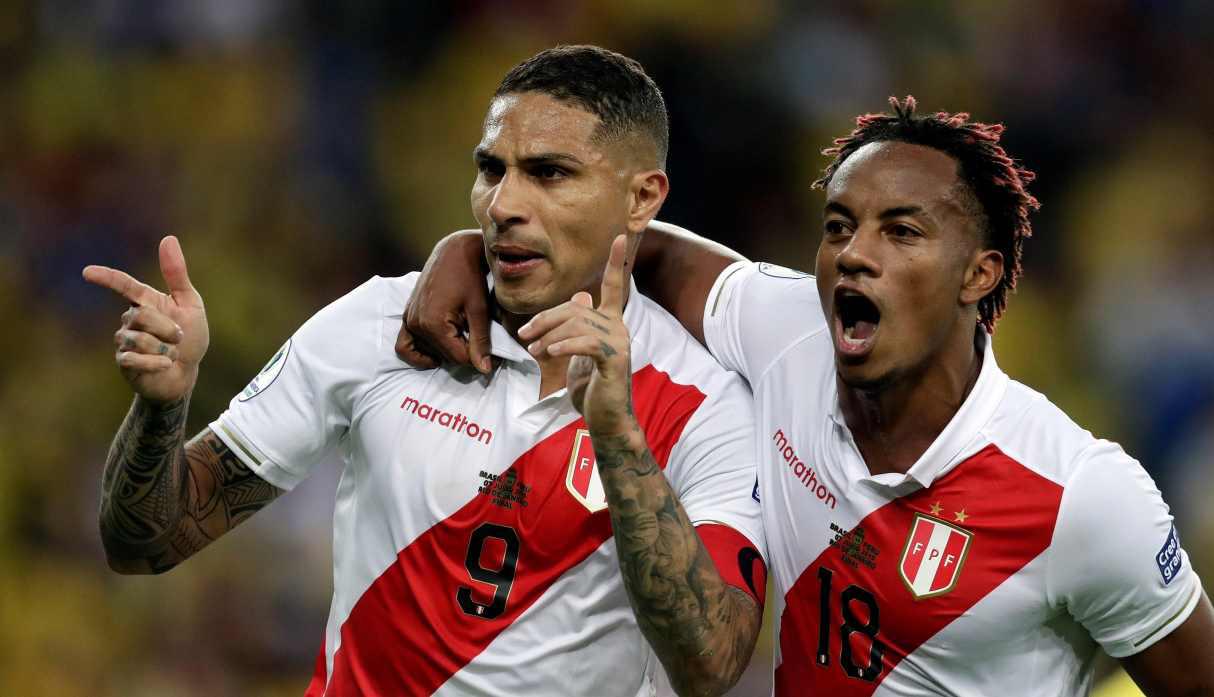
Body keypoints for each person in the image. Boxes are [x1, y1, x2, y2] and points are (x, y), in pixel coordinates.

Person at [396, 96, 1214, 695]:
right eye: (838, 225)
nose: (854, 253)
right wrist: (472, 249)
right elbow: (637, 250)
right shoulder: (789, 331)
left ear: (980, 274)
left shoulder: (1082, 496)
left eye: (901, 231)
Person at [84, 45, 768, 697]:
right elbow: (144, 542)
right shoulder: (382, 324)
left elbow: (711, 666)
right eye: (491, 169)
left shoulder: (704, 405)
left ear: (642, 197)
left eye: (549, 173)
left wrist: (617, 438)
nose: (503, 205)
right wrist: (163, 406)